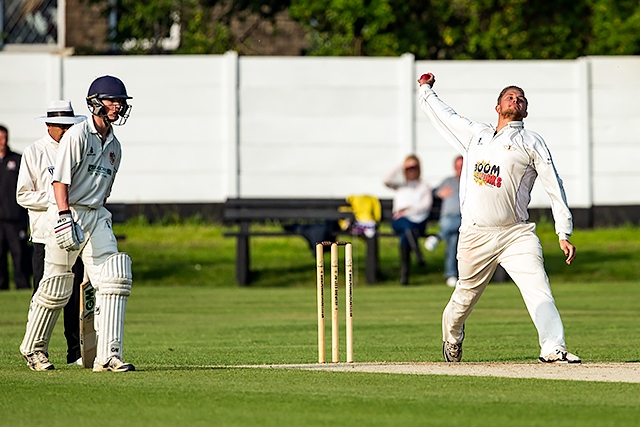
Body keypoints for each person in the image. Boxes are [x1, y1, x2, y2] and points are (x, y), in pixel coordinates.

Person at [417, 72, 581, 364]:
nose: (515, 101)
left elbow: (554, 185)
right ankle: (452, 336)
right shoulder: (476, 135)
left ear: (526, 110)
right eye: (510, 97)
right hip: (475, 233)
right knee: (465, 295)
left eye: (520, 99)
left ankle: (552, 346)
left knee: (538, 286)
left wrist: (563, 231)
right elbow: (447, 116)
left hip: (516, 234)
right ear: (498, 106)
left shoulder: (531, 141)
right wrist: (427, 90)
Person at [20, 75, 135, 372]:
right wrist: (62, 216)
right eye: (112, 100)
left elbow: (104, 190)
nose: (118, 106)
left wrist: (95, 216)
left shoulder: (115, 146)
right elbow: (60, 181)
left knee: (113, 278)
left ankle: (107, 355)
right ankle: (34, 350)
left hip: (95, 215)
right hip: (68, 213)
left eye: (120, 101)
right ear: (96, 102)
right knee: (56, 286)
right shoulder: (77, 135)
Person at [17, 100, 87, 365]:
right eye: (61, 126)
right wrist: (57, 197)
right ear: (48, 125)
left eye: (70, 125)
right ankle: (37, 349)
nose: (67, 130)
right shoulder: (34, 151)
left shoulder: (78, 148)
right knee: (45, 294)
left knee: (73, 294)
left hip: (73, 233)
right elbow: (23, 195)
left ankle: (75, 352)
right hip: (45, 236)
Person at [383, 154, 433, 285]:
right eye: (408, 168)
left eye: (414, 167)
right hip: (400, 220)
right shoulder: (401, 184)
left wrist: (408, 210)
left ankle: (404, 275)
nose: (411, 170)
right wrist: (401, 166)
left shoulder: (424, 186)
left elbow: (425, 206)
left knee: (407, 234)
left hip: (418, 220)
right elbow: (386, 180)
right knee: (406, 227)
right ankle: (418, 254)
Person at [0, 124, 31, 291]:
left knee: (20, 255)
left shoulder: (18, 160)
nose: (2, 142)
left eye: (4, 138)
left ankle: (23, 287)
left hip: (16, 219)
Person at [424, 155, 463, 288]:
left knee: (455, 234)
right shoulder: (448, 181)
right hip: (449, 218)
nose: (461, 170)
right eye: (458, 167)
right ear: (454, 168)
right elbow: (433, 192)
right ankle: (452, 275)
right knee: (453, 237)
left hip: (466, 218)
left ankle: (438, 237)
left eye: (463, 167)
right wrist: (439, 193)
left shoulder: (473, 181)